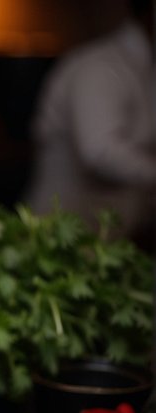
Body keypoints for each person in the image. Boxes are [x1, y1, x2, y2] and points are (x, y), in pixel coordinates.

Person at [24, 0, 155, 245]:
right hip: (64, 236)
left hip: (118, 236)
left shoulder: (145, 67)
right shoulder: (100, 67)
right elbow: (100, 152)